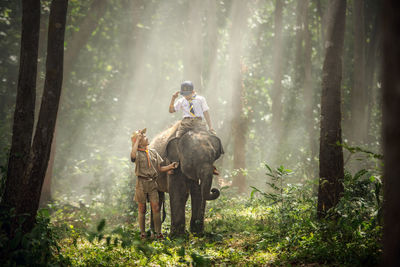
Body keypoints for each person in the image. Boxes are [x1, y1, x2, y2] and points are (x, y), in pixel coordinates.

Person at [131, 128, 178, 239]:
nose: (147, 138)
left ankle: (158, 233)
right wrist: (137, 139)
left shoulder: (153, 152)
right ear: (138, 141)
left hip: (152, 183)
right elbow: (132, 155)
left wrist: (170, 167)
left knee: (156, 207)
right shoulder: (136, 153)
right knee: (142, 208)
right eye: (143, 137)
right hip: (141, 183)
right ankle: (142, 233)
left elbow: (159, 168)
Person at [169, 81, 220, 175]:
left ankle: (211, 165)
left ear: (193, 91)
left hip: (198, 123)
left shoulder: (201, 99)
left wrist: (210, 126)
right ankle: (175, 163)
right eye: (184, 94)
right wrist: (173, 98)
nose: (186, 96)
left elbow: (206, 112)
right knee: (176, 140)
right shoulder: (181, 101)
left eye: (187, 93)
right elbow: (171, 110)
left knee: (210, 140)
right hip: (186, 123)